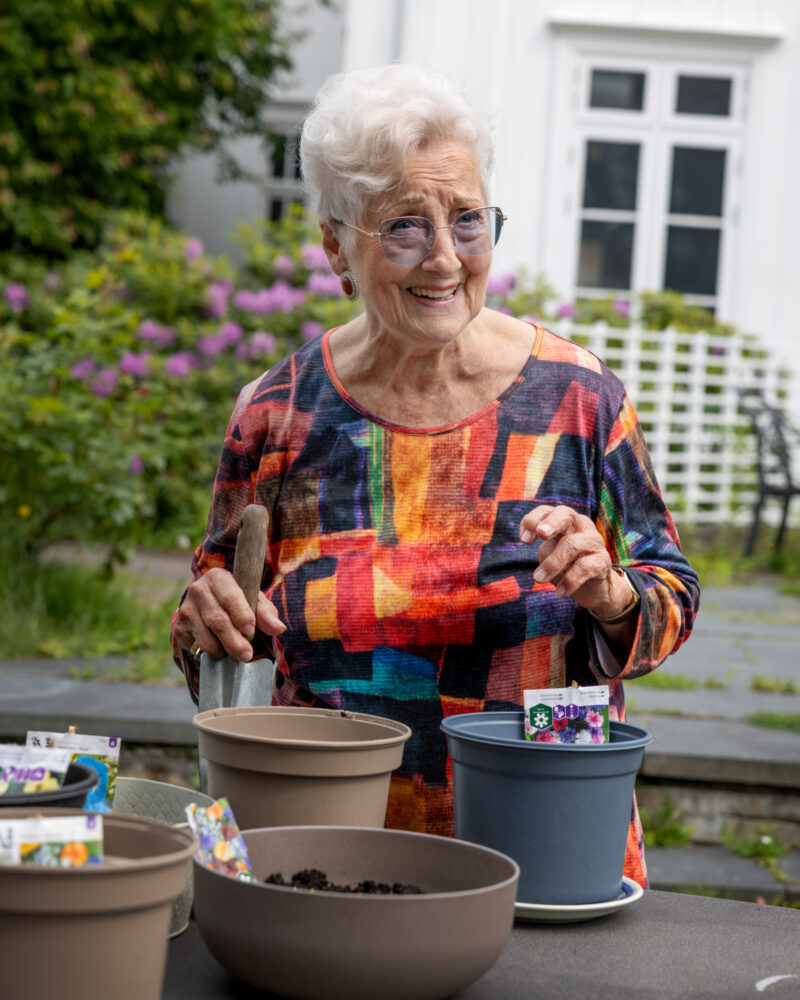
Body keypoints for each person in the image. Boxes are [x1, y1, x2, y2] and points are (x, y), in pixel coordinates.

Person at [171, 63, 700, 888]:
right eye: (406, 227)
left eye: (468, 220)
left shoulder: (576, 399)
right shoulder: (278, 414)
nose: (446, 258)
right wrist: (201, 620)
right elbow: (214, 637)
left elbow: (672, 595)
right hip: (323, 863)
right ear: (336, 246)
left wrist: (611, 594)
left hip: (540, 851)